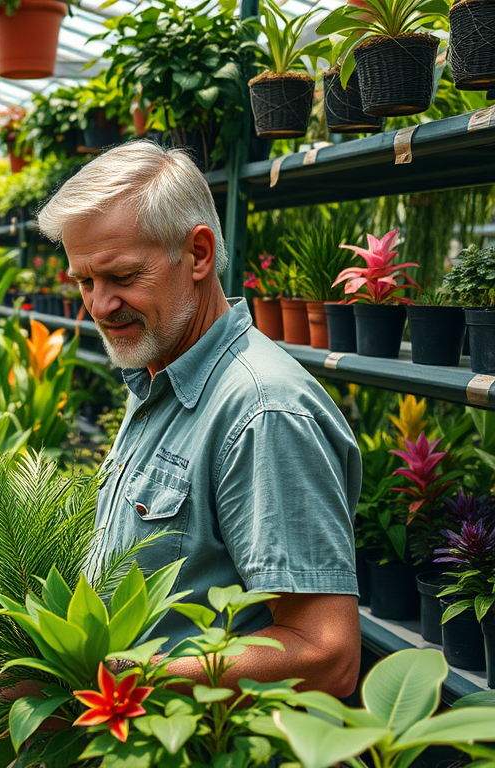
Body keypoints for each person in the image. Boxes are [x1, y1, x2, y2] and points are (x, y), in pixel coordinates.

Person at [40, 141, 362, 697]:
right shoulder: (160, 372)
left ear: (198, 254)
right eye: (85, 282)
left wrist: (98, 685)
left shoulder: (262, 411)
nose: (100, 305)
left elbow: (325, 654)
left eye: (123, 276)